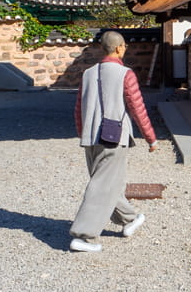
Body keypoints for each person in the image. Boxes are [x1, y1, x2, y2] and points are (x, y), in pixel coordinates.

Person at [69, 31, 157, 253]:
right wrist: (150, 137)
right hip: (113, 137)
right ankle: (83, 235)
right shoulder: (125, 74)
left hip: (90, 137)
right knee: (102, 185)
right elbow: (137, 108)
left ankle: (130, 219)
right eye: (124, 46)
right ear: (119, 48)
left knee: (108, 183)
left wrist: (83, 133)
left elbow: (78, 108)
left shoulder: (87, 73)